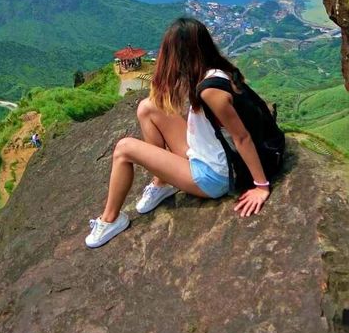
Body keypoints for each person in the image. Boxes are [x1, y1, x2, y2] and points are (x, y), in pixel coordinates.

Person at [85, 17, 273, 248]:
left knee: (124, 149)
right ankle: (161, 183)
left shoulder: (210, 90)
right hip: (205, 152)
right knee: (147, 107)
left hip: (213, 175)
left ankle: (110, 220)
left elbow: (241, 136)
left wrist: (261, 186)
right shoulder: (213, 70)